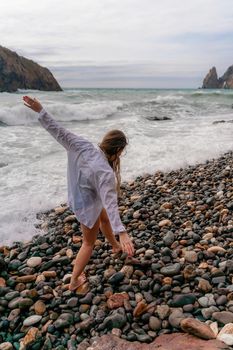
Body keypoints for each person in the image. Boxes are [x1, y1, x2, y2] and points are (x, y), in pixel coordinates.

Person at [23, 96, 134, 291]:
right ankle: (74, 281)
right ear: (118, 150)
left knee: (105, 219)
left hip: (77, 197)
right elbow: (111, 202)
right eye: (122, 152)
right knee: (88, 244)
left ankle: (115, 246)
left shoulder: (83, 145)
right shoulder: (106, 173)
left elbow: (59, 131)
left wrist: (41, 110)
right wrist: (123, 232)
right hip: (87, 206)